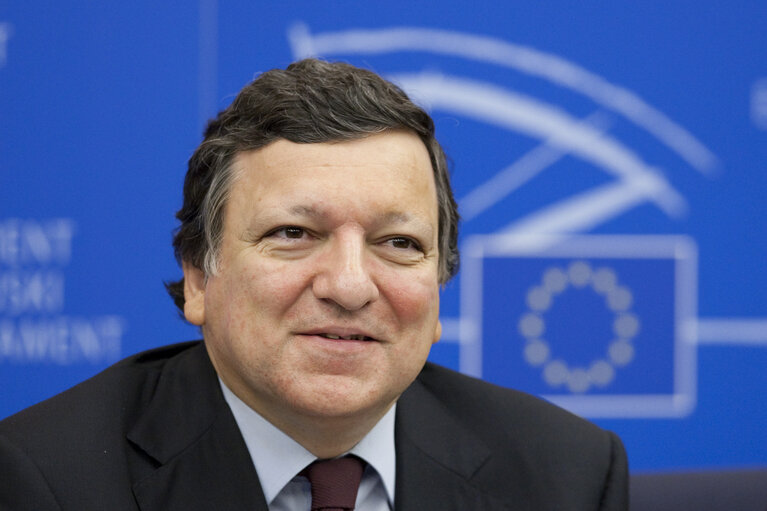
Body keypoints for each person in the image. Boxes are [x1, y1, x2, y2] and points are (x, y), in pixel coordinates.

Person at [0, 59, 628, 510]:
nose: (351, 286)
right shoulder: (43, 480)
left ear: (439, 291)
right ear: (198, 278)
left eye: (399, 244)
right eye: (294, 233)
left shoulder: (567, 474)